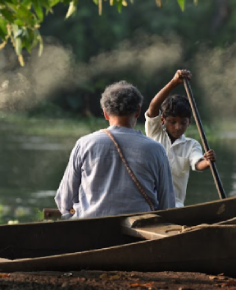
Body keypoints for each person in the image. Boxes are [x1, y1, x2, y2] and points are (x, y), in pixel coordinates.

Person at [55, 81, 175, 219]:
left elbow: (64, 201)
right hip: (139, 231)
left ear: (105, 114)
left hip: (89, 229)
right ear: (138, 112)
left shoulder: (85, 144)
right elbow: (167, 205)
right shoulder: (156, 149)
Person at [145, 69, 216, 208]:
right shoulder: (155, 133)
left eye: (183, 123)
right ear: (163, 120)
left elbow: (198, 163)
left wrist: (208, 162)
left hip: (174, 205)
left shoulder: (191, 145)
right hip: (149, 202)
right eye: (173, 122)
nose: (178, 127)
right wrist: (173, 83)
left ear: (189, 122)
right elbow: (153, 106)